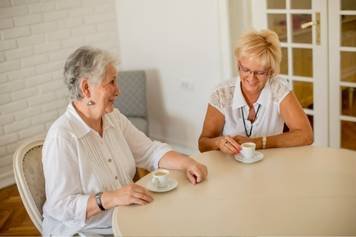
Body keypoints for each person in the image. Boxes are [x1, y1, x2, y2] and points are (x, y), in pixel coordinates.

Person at [42, 46, 208, 236]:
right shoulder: (61, 137)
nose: (118, 90)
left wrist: (188, 162)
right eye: (111, 82)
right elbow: (60, 206)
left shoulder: (114, 118)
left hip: (126, 215)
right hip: (85, 231)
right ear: (86, 88)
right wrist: (110, 198)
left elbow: (149, 151)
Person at [198, 29, 313, 155]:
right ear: (238, 65)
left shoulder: (279, 89)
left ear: (270, 71)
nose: (251, 78)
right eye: (246, 69)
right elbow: (203, 144)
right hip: (230, 166)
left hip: (271, 164)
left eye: (260, 72)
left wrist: (259, 142)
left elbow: (306, 135)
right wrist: (218, 143)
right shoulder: (222, 94)